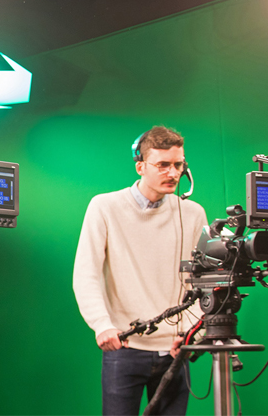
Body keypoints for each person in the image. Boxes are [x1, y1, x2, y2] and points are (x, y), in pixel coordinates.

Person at [73, 125, 209, 415]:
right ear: (140, 166)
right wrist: (102, 324)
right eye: (162, 165)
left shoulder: (193, 213)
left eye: (178, 165)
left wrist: (192, 333)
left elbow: (201, 282)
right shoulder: (104, 207)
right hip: (124, 347)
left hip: (176, 350)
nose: (172, 173)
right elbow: (85, 274)